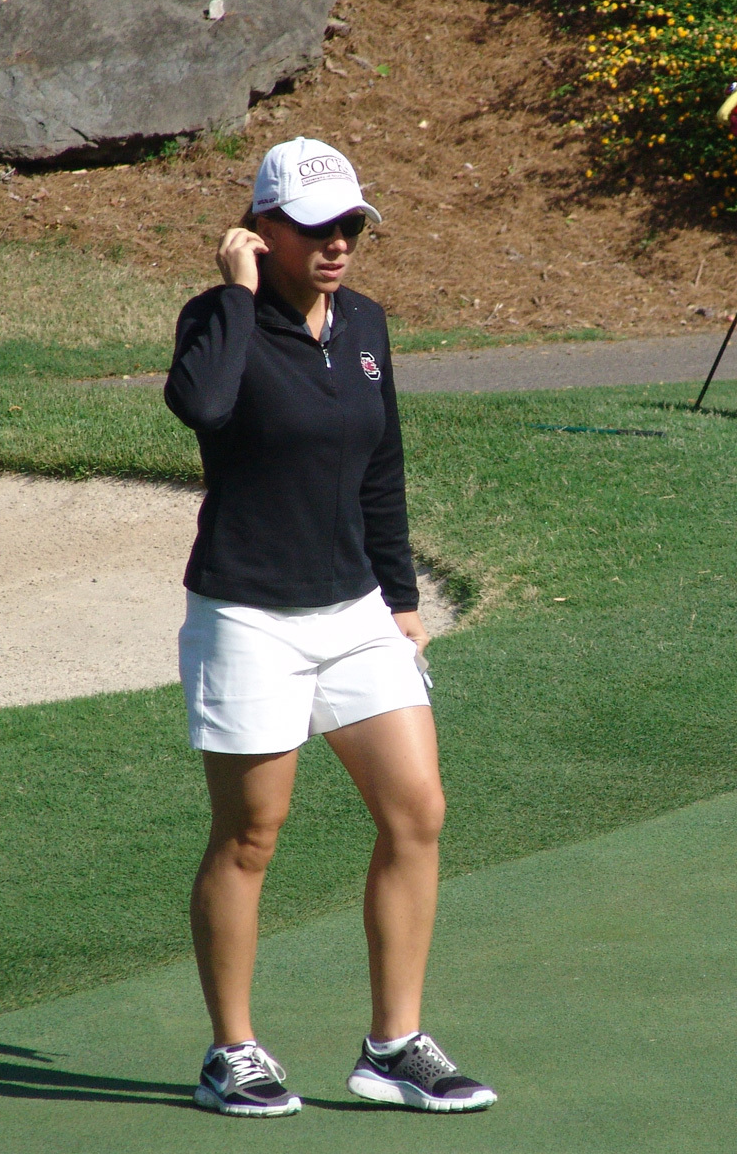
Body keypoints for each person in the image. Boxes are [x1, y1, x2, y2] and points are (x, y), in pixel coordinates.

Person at [164, 136, 497, 1118]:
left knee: (416, 812)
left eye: (350, 224)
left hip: (354, 610)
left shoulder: (363, 326)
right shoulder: (218, 324)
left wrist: (399, 599)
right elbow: (202, 406)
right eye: (314, 228)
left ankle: (392, 1043)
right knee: (251, 835)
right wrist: (231, 291)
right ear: (261, 230)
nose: (338, 243)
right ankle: (232, 1051)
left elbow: (379, 469)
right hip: (248, 615)